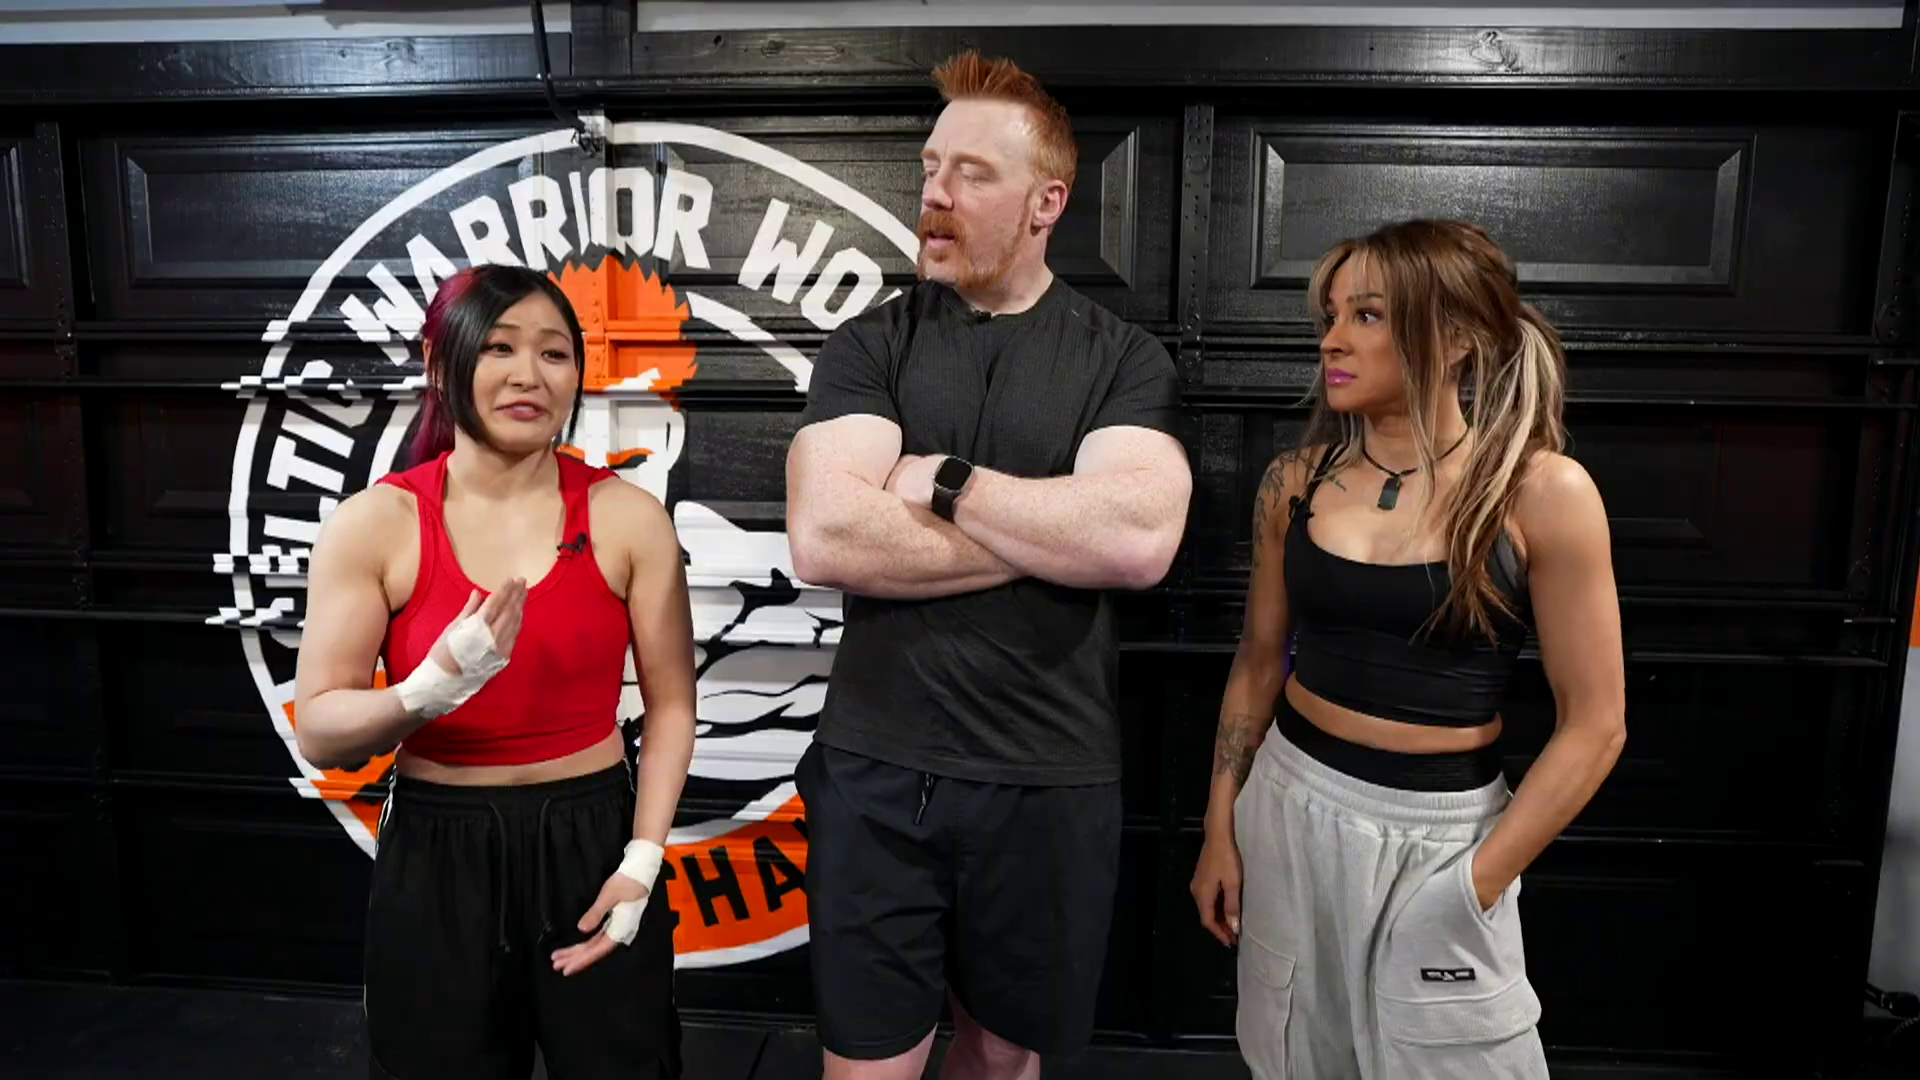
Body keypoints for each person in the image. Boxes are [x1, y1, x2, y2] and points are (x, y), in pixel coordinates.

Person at [785, 50, 1193, 1080]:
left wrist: (947, 482)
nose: (934, 193)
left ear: (1047, 201)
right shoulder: (869, 346)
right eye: (931, 167)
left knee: (1004, 1058)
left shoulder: (1121, 358)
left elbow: (1138, 542)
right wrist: (1055, 532)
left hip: (1047, 778)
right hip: (876, 772)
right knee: (864, 1065)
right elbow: (827, 536)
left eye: (971, 173)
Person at [1190, 219, 1626, 1079]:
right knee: (1294, 1054)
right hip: (1288, 806)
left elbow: (1597, 724)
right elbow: (1258, 660)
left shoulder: (1539, 491)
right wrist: (1220, 828)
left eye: (1367, 315)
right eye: (1330, 315)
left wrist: (1478, 883)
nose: (1332, 340)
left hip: (1443, 838)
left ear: (1456, 337)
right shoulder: (1295, 483)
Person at [292, 263, 697, 1079]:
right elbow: (322, 732)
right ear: (441, 362)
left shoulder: (627, 518)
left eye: (553, 353)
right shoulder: (377, 523)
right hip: (439, 847)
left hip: (592, 839)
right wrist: (423, 693)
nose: (528, 375)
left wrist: (642, 860)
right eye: (499, 347)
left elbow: (672, 706)